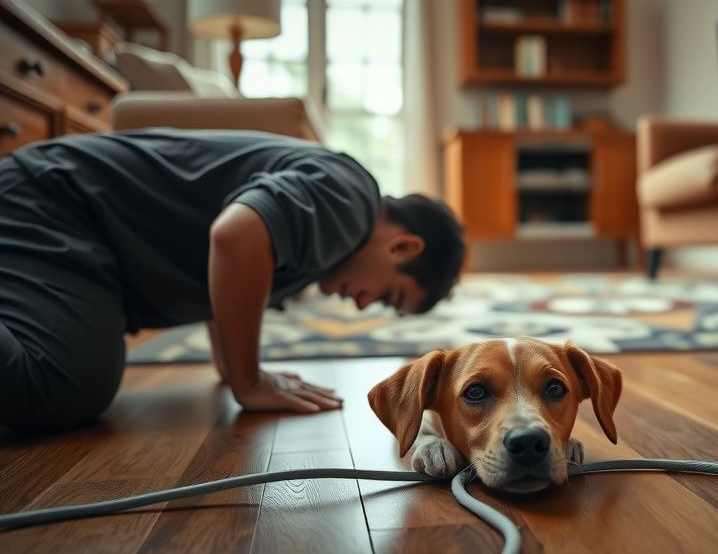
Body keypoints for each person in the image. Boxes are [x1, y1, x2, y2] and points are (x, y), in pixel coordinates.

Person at [0, 128, 465, 433]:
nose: (363, 305)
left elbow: (222, 267)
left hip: (72, 221)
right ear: (404, 247)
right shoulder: (350, 203)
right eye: (387, 295)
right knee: (58, 386)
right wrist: (249, 380)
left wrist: (229, 365)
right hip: (52, 203)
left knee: (81, 377)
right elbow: (235, 235)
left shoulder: (324, 236)